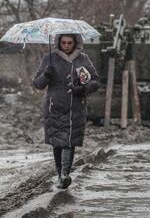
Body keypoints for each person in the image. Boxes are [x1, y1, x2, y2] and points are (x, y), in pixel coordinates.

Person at [33, 33, 99, 189]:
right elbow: (37, 84)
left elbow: (95, 81)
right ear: (58, 42)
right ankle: (60, 175)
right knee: (57, 142)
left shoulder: (83, 59)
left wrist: (82, 89)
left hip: (75, 106)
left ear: (76, 43)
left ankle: (65, 175)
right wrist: (46, 75)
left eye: (70, 42)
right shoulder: (49, 58)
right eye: (64, 42)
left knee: (69, 141)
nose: (67, 45)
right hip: (55, 106)